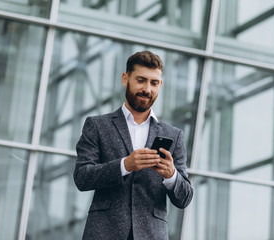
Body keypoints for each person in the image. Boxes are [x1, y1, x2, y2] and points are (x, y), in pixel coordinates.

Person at [74, 50, 193, 240]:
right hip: (104, 233)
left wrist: (171, 175)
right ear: (125, 79)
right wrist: (124, 165)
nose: (147, 88)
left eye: (154, 83)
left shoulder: (174, 135)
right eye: (141, 80)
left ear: (160, 85)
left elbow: (185, 198)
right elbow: (82, 177)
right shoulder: (97, 125)